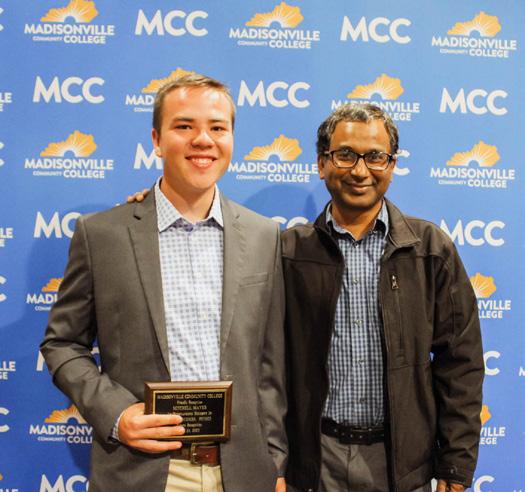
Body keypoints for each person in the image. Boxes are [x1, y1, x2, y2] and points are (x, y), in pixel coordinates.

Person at [41, 74, 287, 492]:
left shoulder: (264, 235)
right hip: (141, 471)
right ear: (156, 140)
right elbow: (62, 344)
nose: (203, 140)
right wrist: (117, 414)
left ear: (231, 139)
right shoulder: (102, 235)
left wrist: (275, 464)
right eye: (184, 126)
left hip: (243, 474)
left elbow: (270, 364)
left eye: (217, 127)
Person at [281, 102, 484, 492]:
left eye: (375, 157)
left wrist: (456, 465)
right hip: (315, 462)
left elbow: (461, 365)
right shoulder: (290, 252)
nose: (360, 171)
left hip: (402, 465)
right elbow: (268, 369)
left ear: (391, 165)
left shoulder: (430, 249)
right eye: (345, 155)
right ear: (322, 164)